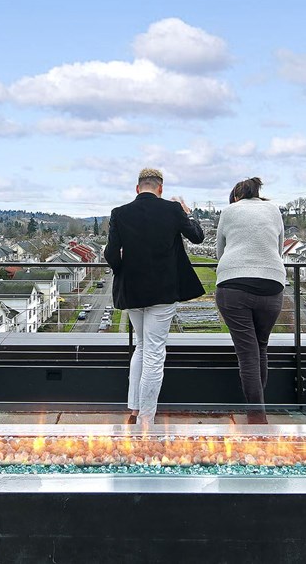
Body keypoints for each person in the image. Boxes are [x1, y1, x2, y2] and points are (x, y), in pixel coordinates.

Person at [104, 168, 205, 426]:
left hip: (132, 291)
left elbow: (111, 254)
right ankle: (146, 419)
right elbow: (197, 236)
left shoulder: (119, 213)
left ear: (137, 188)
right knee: (154, 353)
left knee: (141, 346)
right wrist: (186, 212)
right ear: (161, 188)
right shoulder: (172, 211)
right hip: (163, 291)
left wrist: (122, 269)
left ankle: (136, 408)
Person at [214, 177, 286, 423]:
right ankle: (258, 410)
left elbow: (220, 251)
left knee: (247, 353)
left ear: (235, 196)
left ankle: (257, 414)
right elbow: (278, 249)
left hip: (233, 284)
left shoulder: (229, 211)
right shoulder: (274, 210)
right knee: (261, 346)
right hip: (272, 282)